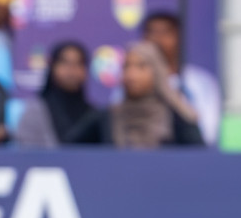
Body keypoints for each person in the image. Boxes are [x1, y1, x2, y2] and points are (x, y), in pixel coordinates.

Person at [73, 42, 203, 148]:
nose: (131, 74)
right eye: (126, 66)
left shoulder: (178, 116)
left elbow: (199, 161)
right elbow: (67, 151)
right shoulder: (107, 116)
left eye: (141, 66)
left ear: (157, 72)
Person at [141, 12, 221, 146]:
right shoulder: (132, 83)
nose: (157, 39)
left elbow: (208, 132)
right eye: (152, 33)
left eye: (165, 33)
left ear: (179, 37)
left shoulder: (201, 82)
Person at [15, 41, 96, 148]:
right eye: (65, 63)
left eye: (78, 64)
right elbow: (26, 155)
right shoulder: (35, 112)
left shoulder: (94, 115)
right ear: (52, 67)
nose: (71, 70)